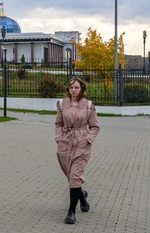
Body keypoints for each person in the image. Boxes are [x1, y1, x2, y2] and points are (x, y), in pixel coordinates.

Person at [55, 76, 100, 225]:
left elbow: (94, 127)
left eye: (76, 87)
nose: (73, 90)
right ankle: (82, 195)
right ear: (68, 88)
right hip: (64, 143)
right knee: (71, 176)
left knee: (75, 176)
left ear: (81, 89)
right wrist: (59, 139)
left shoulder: (88, 105)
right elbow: (58, 124)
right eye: (71, 87)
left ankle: (71, 212)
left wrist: (88, 139)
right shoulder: (61, 104)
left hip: (82, 143)